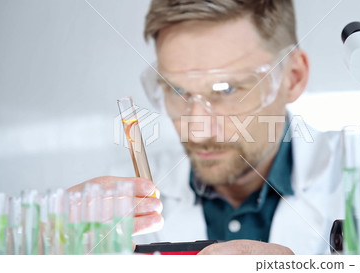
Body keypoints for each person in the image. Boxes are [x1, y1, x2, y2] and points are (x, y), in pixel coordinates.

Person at [69, 0, 343, 254]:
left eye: (226, 89)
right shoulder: (115, 206)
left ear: (292, 78)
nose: (197, 129)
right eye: (177, 90)